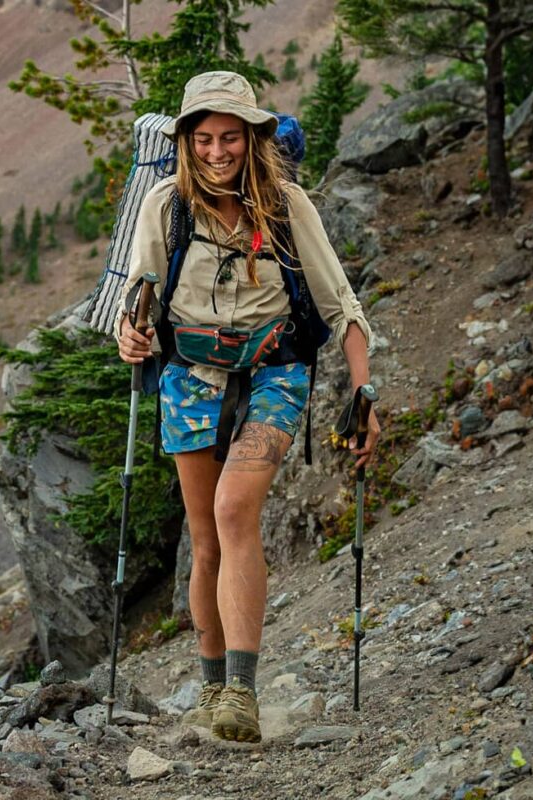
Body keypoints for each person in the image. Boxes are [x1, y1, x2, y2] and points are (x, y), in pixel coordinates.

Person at [115, 71, 380, 743]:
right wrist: (131, 333)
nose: (216, 151)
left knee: (234, 510)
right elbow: (140, 295)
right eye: (203, 138)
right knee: (205, 540)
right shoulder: (166, 206)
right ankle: (210, 690)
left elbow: (340, 304)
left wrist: (363, 390)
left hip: (274, 373)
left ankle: (241, 692)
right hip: (190, 374)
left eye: (229, 137)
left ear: (253, 138)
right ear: (185, 141)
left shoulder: (287, 205)